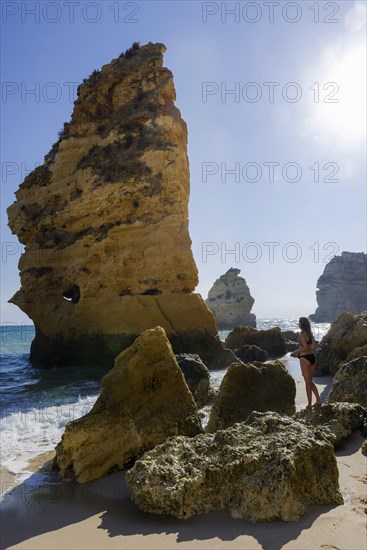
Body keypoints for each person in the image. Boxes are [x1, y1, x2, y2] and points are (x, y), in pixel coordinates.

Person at [292, 317, 321, 410]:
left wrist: (296, 352)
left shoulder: (302, 334)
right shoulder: (310, 334)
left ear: (301, 324)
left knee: (307, 383)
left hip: (304, 359)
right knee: (310, 381)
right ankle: (318, 400)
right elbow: (313, 347)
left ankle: (309, 404)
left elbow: (304, 347)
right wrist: (307, 347)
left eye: (299, 323)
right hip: (312, 358)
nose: (298, 324)